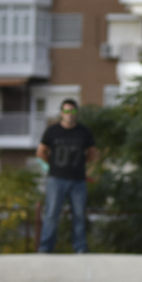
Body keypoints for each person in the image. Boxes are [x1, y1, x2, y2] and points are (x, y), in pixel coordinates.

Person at [36, 98, 98, 253]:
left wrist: (82, 166)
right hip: (56, 179)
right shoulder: (52, 131)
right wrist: (51, 165)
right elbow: (40, 152)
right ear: (61, 113)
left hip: (78, 180)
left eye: (73, 111)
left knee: (78, 216)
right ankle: (45, 248)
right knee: (51, 214)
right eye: (66, 111)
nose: (70, 114)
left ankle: (80, 248)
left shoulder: (84, 132)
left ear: (77, 113)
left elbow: (93, 153)